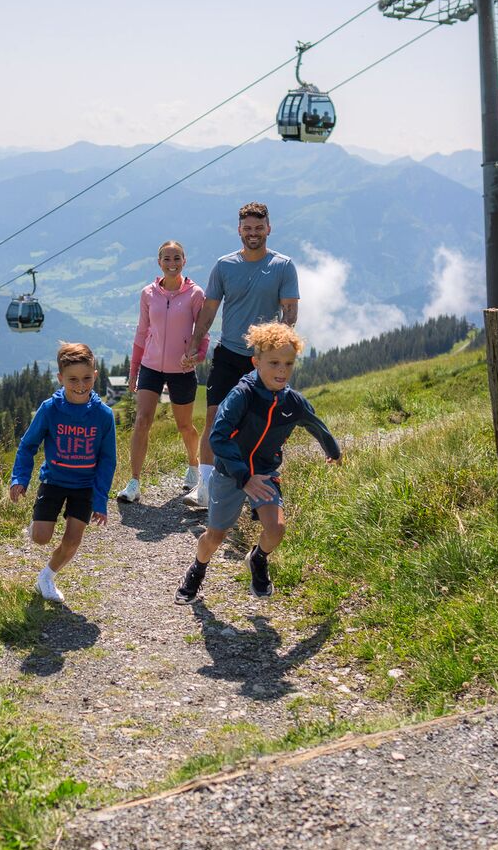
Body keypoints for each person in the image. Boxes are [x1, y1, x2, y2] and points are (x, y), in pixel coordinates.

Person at [176, 322, 340, 604]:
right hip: (230, 474)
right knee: (215, 537)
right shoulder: (243, 395)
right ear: (256, 362)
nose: (282, 370)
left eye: (288, 364)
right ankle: (197, 569)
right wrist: (243, 476)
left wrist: (333, 450)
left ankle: (258, 559)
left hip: (263, 472)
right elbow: (219, 437)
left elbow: (315, 424)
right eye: (274, 363)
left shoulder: (292, 402)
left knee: (276, 529)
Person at [181, 201, 299, 509]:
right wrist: (194, 344)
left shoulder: (283, 266)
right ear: (239, 231)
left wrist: (277, 352)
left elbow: (290, 312)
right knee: (214, 417)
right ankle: (205, 489)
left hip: (261, 360)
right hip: (228, 353)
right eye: (247, 228)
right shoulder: (224, 265)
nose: (253, 233)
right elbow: (208, 310)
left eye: (259, 228)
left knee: (258, 424)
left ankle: (256, 485)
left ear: (268, 229)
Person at [9, 341, 117, 604]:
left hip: (85, 487)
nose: (81, 385)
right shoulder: (50, 409)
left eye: (87, 378)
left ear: (95, 375)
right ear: (60, 378)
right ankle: (37, 523)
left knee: (72, 541)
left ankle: (46, 577)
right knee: (40, 538)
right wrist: (19, 478)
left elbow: (107, 460)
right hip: (53, 481)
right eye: (73, 379)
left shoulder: (104, 415)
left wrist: (101, 499)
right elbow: (28, 445)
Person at [116, 241, 208, 504]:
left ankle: (193, 464)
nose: (172, 263)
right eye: (166, 258)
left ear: (184, 261)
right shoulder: (148, 293)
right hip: (150, 366)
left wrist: (197, 357)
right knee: (142, 419)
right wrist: (134, 370)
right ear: (159, 263)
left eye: (176, 258)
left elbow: (203, 334)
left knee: (184, 425)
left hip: (182, 370)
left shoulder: (195, 294)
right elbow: (141, 332)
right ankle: (133, 482)